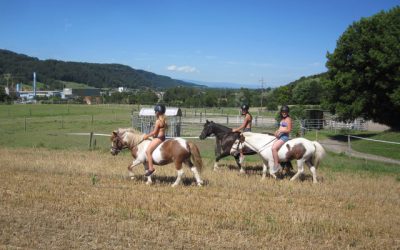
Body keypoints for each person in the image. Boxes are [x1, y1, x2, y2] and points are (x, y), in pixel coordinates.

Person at [142, 104, 167, 177]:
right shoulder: (164, 120)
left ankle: (151, 168)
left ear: (158, 112)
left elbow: (154, 132)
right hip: (163, 137)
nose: (155, 113)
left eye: (155, 111)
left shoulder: (158, 121)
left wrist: (147, 136)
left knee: (148, 151)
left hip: (158, 138)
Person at [271, 105, 292, 172]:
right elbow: (281, 128)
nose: (284, 113)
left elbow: (288, 130)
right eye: (283, 111)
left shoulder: (288, 119)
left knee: (274, 148)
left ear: (287, 112)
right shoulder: (283, 119)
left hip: (284, 137)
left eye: (285, 112)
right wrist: (277, 131)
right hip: (279, 136)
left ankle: (276, 165)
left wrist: (280, 131)